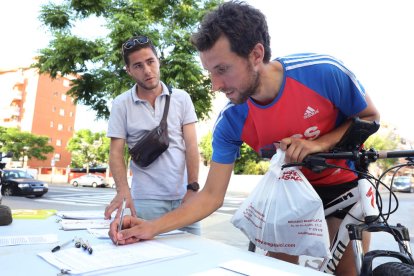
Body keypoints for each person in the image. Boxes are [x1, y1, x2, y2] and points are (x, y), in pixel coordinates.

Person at [108, 2, 380, 275]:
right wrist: (150, 227)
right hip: (288, 192)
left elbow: (370, 117)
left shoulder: (322, 72)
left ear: (256, 54)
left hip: (342, 184)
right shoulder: (231, 120)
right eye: (210, 72)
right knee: (279, 269)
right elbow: (211, 196)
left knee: (349, 271)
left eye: (222, 69)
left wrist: (319, 143)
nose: (215, 85)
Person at [104, 35, 201, 235]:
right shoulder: (121, 104)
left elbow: (191, 145)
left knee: (195, 256)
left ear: (159, 61)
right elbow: (116, 153)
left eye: (150, 62)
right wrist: (123, 192)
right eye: (138, 66)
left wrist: (192, 188)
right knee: (150, 260)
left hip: (185, 198)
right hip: (146, 200)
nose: (147, 71)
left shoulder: (182, 98)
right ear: (129, 70)